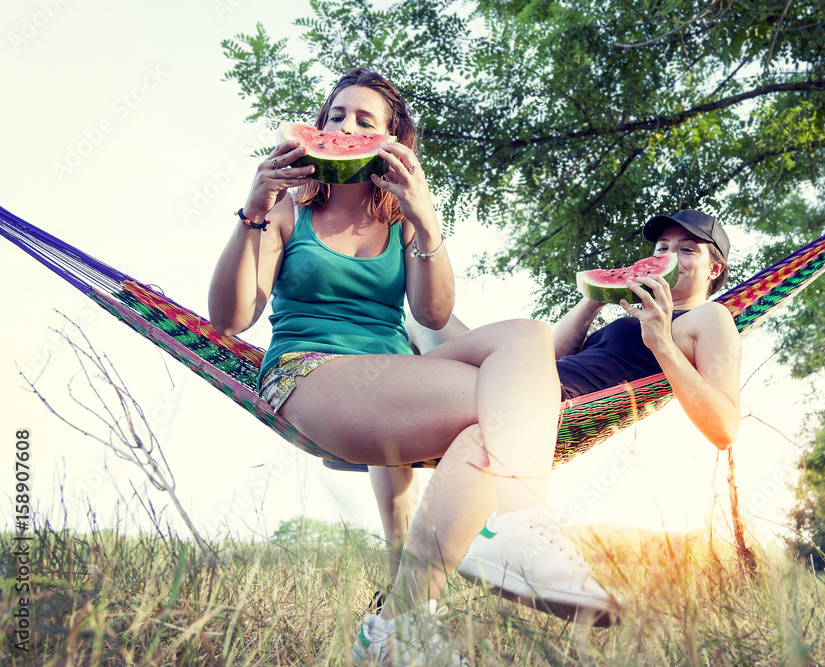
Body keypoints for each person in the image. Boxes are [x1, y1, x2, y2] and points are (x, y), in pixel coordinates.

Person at [207, 68, 619, 664]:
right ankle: (515, 534)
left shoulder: (400, 222)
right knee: (506, 411)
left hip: (398, 377)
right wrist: (252, 209)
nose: (344, 127)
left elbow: (432, 311)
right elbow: (229, 319)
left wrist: (426, 220)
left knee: (510, 385)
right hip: (310, 374)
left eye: (363, 120)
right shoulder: (287, 213)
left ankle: (402, 624)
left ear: (393, 141)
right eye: (335, 117)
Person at [366, 209, 742, 598]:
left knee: (402, 378)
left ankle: (367, 403)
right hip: (521, 379)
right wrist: (598, 298)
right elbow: (555, 353)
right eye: (662, 247)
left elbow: (725, 428)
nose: (670, 256)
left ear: (715, 269)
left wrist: (661, 342)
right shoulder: (632, 318)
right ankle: (394, 581)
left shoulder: (711, 317)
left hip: (544, 406)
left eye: (687, 250)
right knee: (420, 323)